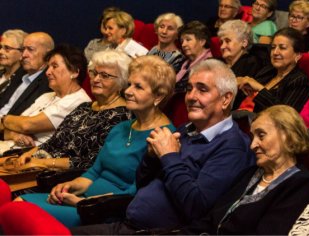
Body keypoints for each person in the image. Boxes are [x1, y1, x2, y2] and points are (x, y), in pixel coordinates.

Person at [70, 59, 255, 234]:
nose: (191, 97)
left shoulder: (232, 147)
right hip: (129, 223)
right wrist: (151, 158)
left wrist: (168, 156)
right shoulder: (186, 131)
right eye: (189, 89)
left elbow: (196, 207)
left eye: (202, 90)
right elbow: (143, 183)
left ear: (225, 99)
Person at [15, 55, 177, 227]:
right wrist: (68, 186)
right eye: (129, 84)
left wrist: (81, 202)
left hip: (105, 212)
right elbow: (93, 173)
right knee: (17, 204)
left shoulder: (164, 138)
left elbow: (136, 193)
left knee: (20, 211)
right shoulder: (121, 127)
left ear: (158, 96)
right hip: (81, 200)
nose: (128, 91)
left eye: (138, 87)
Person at [182, 105, 309, 235]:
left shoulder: (302, 185)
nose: (253, 145)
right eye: (253, 137)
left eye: (261, 135)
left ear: (288, 136)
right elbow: (210, 219)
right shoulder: (250, 173)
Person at [16, 50, 132, 170]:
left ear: (121, 81)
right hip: (41, 166)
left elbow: (91, 162)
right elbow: (52, 142)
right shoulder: (84, 107)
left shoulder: (122, 115)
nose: (96, 79)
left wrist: (44, 163)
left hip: (67, 177)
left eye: (105, 75)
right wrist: (28, 155)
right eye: (94, 73)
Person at [0, 44, 92, 153]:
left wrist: (4, 119)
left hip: (31, 157)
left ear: (74, 72)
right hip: (9, 147)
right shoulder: (47, 96)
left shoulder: (78, 101)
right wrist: (13, 134)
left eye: (54, 66)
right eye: (48, 66)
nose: (47, 72)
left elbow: (27, 125)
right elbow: (15, 125)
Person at [236, 28, 309, 113]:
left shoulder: (301, 81)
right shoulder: (267, 71)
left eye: (282, 48)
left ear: (298, 55)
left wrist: (260, 88)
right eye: (273, 47)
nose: (275, 52)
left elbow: (285, 114)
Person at [0, 32, 54, 117]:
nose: (24, 55)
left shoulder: (49, 84)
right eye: (23, 50)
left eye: (30, 49)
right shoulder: (18, 75)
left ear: (48, 55)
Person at [176, 21, 212, 93]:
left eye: (188, 40)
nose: (183, 44)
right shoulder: (183, 62)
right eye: (182, 41)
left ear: (202, 42)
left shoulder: (209, 65)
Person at [0, 29, 27, 95]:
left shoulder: (24, 80)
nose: (0, 52)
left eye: (7, 48)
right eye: (0, 47)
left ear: (22, 53)